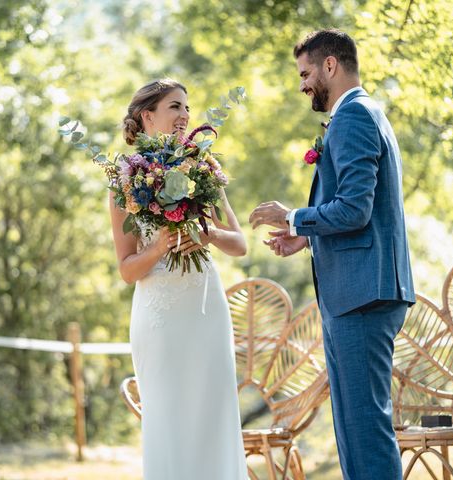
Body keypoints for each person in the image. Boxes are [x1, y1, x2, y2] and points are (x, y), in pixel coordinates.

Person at [249, 29, 415, 480]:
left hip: (362, 294)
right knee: (354, 428)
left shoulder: (354, 117)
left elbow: (355, 209)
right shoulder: (365, 113)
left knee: (364, 429)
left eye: (305, 73)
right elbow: (363, 209)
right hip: (359, 290)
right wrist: (307, 238)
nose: (302, 84)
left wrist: (294, 218)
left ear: (329, 66)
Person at [110, 78, 248, 479]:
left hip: (206, 310)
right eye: (175, 107)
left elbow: (239, 244)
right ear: (147, 116)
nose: (185, 115)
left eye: (187, 108)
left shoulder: (203, 166)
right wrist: (157, 247)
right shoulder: (125, 179)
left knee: (214, 416)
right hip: (160, 318)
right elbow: (126, 269)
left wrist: (207, 235)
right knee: (169, 421)